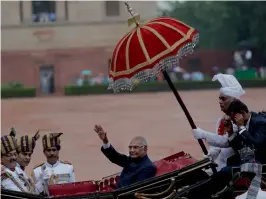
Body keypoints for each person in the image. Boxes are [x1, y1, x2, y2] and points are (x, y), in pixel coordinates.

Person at [198, 73, 246, 172]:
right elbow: (217, 146)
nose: (220, 101)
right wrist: (209, 156)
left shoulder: (239, 119)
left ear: (234, 100)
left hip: (236, 169)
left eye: (223, 99)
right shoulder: (222, 121)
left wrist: (204, 135)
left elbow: (226, 141)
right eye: (219, 98)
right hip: (221, 167)